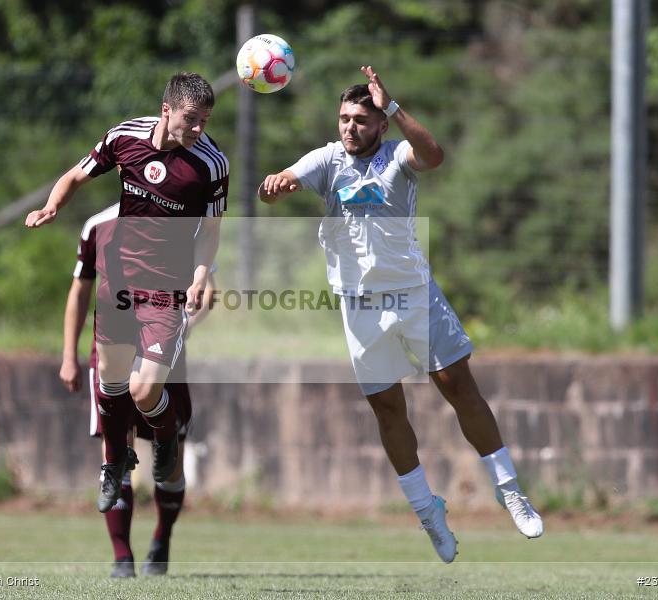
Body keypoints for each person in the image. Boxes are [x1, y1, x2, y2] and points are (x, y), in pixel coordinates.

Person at [258, 66, 543, 563]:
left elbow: (435, 155)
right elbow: (288, 176)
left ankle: (508, 487)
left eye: (362, 120)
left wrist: (392, 104)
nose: (350, 128)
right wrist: (276, 185)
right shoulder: (328, 159)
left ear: (381, 125)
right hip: (361, 307)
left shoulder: (398, 155)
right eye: (345, 119)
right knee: (388, 410)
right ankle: (427, 510)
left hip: (414, 295)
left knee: (459, 387)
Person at [27, 72, 228, 515]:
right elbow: (76, 175)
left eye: (205, 121)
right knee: (110, 386)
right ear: (167, 110)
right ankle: (115, 463)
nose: (199, 129)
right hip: (117, 283)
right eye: (191, 119)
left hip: (167, 288)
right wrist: (53, 205)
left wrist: (199, 275)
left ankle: (166, 437)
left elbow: (211, 230)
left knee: (143, 390)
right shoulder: (125, 137)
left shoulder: (212, 163)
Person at [60, 204, 214, 578]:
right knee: (115, 449)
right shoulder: (97, 225)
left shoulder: (184, 223)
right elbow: (80, 291)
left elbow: (207, 290)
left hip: (163, 353)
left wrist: (184, 324)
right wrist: (68, 355)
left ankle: (161, 542)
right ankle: (122, 558)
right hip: (110, 351)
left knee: (170, 462)